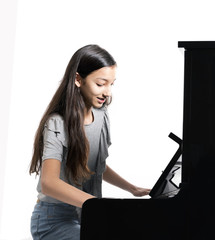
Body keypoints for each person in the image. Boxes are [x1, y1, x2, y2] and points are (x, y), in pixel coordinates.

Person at [29, 44, 150, 240]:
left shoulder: (101, 116)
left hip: (88, 215)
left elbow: (94, 166)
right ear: (78, 79)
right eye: (101, 84)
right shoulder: (57, 123)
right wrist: (99, 205)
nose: (107, 92)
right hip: (53, 220)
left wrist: (132, 188)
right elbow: (48, 183)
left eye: (112, 84)